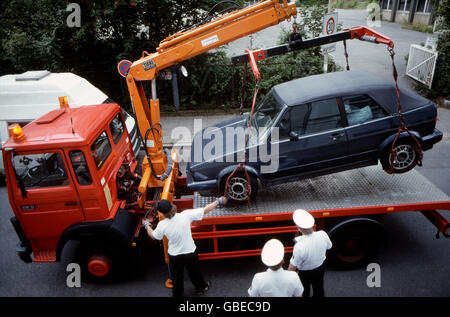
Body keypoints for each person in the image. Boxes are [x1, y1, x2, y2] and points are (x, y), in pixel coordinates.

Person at [142, 196, 227, 298]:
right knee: (194, 272)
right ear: (172, 207)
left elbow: (154, 236)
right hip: (190, 251)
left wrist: (147, 225)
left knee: (176, 277)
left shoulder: (162, 225)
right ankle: (201, 288)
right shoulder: (185, 215)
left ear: (161, 213)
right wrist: (218, 201)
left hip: (175, 255)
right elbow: (205, 210)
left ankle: (177, 295)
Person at [288, 209, 332, 298]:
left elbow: (293, 266)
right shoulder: (323, 234)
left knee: (304, 291)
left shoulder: (299, 246)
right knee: (319, 288)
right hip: (320, 268)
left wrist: (287, 278)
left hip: (305, 273)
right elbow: (329, 247)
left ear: (298, 228)